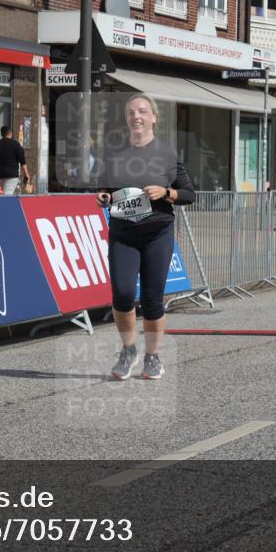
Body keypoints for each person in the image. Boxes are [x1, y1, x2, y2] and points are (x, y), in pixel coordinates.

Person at [96, 93, 194, 381]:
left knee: (152, 299)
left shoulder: (166, 154)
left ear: (153, 117)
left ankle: (153, 357)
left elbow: (189, 193)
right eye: (131, 112)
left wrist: (166, 192)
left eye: (142, 111)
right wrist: (102, 197)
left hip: (157, 233)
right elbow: (104, 188)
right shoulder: (114, 153)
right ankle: (128, 351)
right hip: (123, 234)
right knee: (123, 294)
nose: (136, 116)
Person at [0, 126, 30, 195]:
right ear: (11, 134)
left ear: (2, 134)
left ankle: (8, 204)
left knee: (7, 193)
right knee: (7, 195)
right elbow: (22, 160)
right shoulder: (15, 144)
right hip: (12, 175)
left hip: (0, 175)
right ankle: (5, 205)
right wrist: (26, 174)